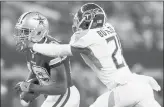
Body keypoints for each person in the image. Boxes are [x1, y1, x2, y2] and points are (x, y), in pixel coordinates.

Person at [18, 3, 161, 107]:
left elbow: (61, 50)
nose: (77, 22)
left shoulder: (87, 37)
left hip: (123, 89)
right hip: (141, 85)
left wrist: (33, 45)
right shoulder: (109, 27)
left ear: (89, 21)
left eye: (80, 19)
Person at [14, 11, 80, 107]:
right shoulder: (30, 47)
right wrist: (27, 86)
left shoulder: (51, 49)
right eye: (21, 31)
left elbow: (61, 88)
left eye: (26, 31)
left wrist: (32, 87)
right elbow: (37, 71)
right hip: (54, 96)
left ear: (38, 32)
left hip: (65, 95)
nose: (21, 35)